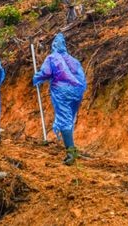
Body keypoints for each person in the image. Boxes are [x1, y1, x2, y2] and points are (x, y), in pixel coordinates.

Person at [33, 33, 87, 166]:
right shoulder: (74, 60)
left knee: (64, 120)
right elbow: (81, 78)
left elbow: (46, 73)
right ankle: (71, 148)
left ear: (53, 46)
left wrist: (37, 78)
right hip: (77, 93)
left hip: (61, 93)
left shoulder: (52, 58)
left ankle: (70, 152)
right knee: (70, 119)